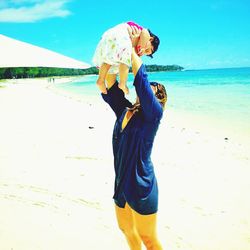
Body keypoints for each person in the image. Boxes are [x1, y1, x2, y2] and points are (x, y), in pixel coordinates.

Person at [101, 47, 167, 249]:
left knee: (148, 238)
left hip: (142, 186)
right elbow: (109, 85)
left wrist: (127, 47)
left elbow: (141, 79)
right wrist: (111, 55)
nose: (146, 89)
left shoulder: (153, 117)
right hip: (121, 182)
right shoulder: (125, 110)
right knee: (127, 230)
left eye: (151, 88)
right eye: (148, 87)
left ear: (159, 99)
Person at [93, 21, 160, 95]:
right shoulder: (145, 33)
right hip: (121, 35)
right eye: (147, 50)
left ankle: (101, 80)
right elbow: (145, 32)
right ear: (151, 39)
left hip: (108, 37)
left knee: (109, 60)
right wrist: (141, 47)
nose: (143, 52)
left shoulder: (130, 41)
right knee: (125, 60)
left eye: (145, 53)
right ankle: (122, 83)